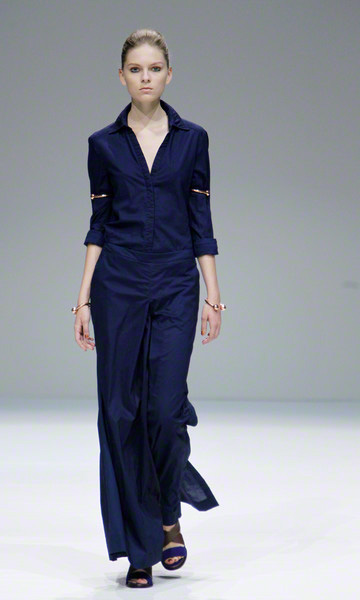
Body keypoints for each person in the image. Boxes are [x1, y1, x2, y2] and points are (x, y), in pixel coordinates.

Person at [72, 29, 225, 588]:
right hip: (118, 285)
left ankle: (167, 515)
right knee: (120, 412)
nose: (145, 77)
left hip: (176, 285)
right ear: (122, 76)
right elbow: (98, 225)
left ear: (168, 74)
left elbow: (201, 222)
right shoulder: (103, 144)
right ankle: (141, 548)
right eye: (135, 69)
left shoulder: (193, 139)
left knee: (162, 408)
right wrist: (82, 297)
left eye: (154, 68)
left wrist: (213, 293)